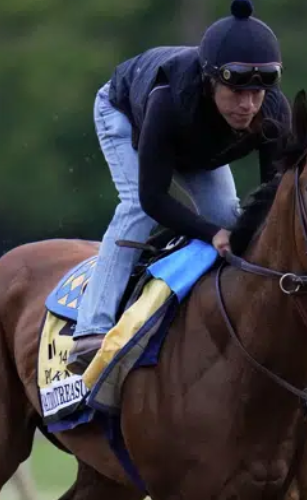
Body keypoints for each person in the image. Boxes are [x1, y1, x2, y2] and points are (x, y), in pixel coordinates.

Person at [66, 0, 292, 376]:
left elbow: (272, 195)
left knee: (227, 217)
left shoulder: (273, 111)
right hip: (124, 113)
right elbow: (152, 198)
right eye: (236, 92)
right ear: (210, 81)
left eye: (257, 93)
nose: (248, 105)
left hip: (194, 143)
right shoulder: (168, 101)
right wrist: (210, 233)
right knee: (136, 210)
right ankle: (92, 327)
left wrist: (224, 230)